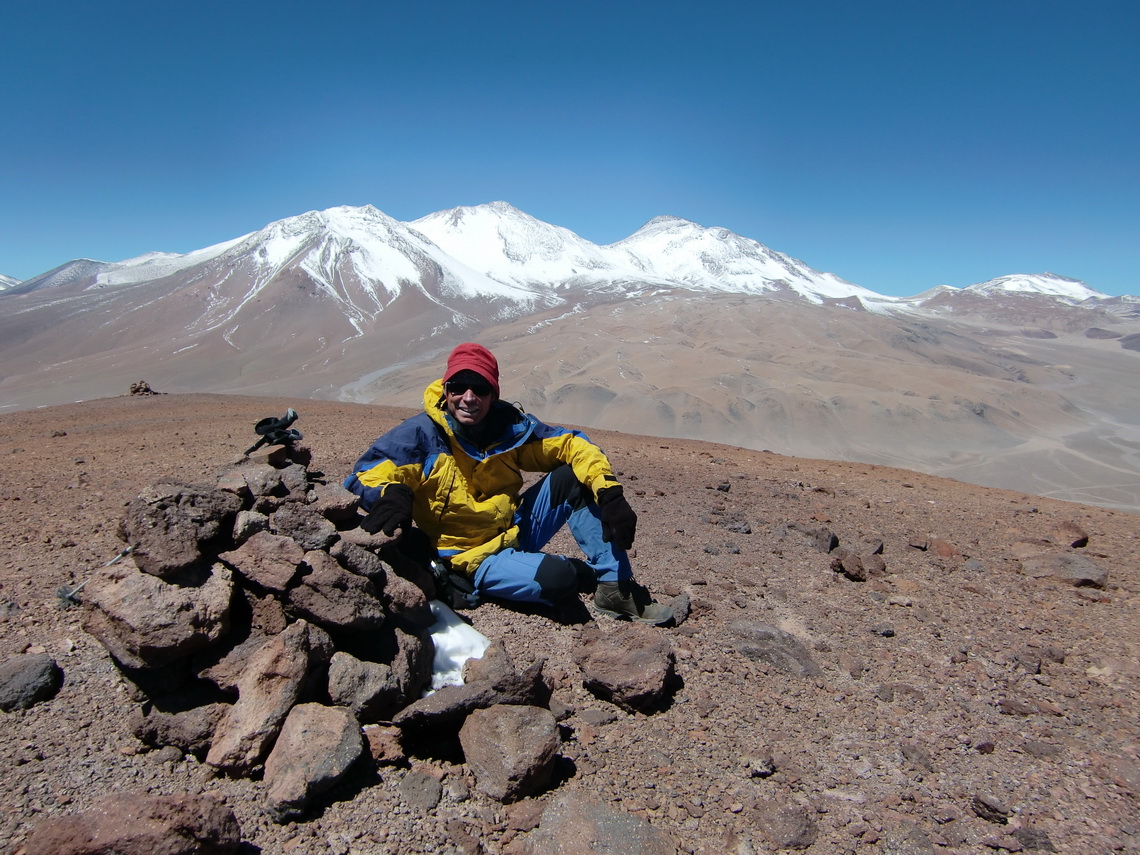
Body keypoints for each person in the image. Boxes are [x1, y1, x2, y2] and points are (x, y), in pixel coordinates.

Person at [344, 342, 674, 625]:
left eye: (480, 389)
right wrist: (393, 492)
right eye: (458, 387)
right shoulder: (423, 434)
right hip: (468, 557)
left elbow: (571, 444)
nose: (468, 398)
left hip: (513, 528)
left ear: (493, 394)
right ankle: (570, 572)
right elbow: (370, 469)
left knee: (576, 475)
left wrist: (611, 494)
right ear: (446, 390)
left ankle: (615, 590)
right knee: (560, 581)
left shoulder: (510, 429)